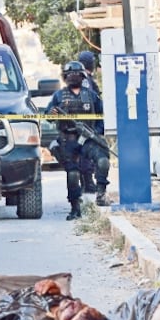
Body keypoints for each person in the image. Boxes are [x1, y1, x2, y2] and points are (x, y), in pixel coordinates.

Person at [44, 60, 110, 219]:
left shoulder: (92, 96)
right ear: (65, 77)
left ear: (82, 77)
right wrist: (51, 115)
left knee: (103, 162)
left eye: (76, 75)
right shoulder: (58, 96)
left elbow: (102, 117)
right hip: (68, 140)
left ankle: (101, 194)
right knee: (72, 174)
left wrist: (96, 132)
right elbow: (48, 116)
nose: (73, 77)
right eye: (70, 75)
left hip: (88, 139)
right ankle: (75, 207)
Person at [77, 50, 101, 193]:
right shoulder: (85, 80)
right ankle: (87, 182)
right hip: (87, 122)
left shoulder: (83, 78)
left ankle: (86, 182)